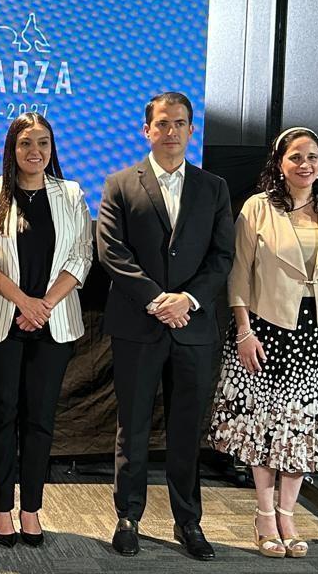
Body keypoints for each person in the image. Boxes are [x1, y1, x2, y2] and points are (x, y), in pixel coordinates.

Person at [208, 127, 318, 558]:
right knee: (266, 424)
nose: (305, 165)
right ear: (279, 162)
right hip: (268, 327)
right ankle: (264, 513)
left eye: (312, 157)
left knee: (304, 426)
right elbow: (238, 274)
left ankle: (288, 513)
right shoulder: (257, 207)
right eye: (296, 157)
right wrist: (243, 330)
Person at [96, 91, 235, 560]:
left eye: (179, 123)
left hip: (194, 329)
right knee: (132, 428)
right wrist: (158, 300)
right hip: (139, 324)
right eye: (162, 123)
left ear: (190, 131)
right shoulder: (119, 183)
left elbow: (221, 257)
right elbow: (111, 252)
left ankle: (188, 522)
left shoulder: (213, 188)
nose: (170, 131)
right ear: (147, 130)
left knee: (185, 429)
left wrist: (187, 300)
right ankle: (128, 517)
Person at [0, 112, 92, 548]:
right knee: (0, 415)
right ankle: (1, 509)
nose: (35, 152)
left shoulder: (70, 194)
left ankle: (31, 509)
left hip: (53, 322)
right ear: (11, 149)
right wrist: (23, 302)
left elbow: (82, 256)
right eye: (25, 144)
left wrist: (45, 304)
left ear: (53, 149)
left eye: (43, 144)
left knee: (40, 419)